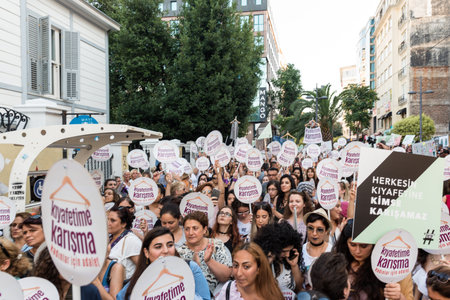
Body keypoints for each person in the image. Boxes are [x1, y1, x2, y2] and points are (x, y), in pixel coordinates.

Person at [117, 227, 210, 300]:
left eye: (170, 245)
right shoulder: (137, 282)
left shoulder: (191, 268)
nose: (165, 251)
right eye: (158, 247)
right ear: (146, 252)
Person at [334, 219, 413, 300]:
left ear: (375, 244)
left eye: (364, 246)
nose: (357, 251)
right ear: (345, 243)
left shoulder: (392, 268)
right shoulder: (338, 265)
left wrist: (399, 296)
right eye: (352, 245)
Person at [177, 211, 232, 294]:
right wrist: (194, 268)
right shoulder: (179, 252)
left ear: (204, 229)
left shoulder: (216, 245)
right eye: (187, 229)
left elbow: (226, 276)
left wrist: (209, 261)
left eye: (195, 228)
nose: (190, 233)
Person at [217, 242, 284, 300]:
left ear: (259, 268)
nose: (239, 273)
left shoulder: (272, 295)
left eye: (246, 267)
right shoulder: (228, 290)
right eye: (236, 265)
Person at [34, 247, 106, 300]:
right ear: (49, 265)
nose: (67, 267)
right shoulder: (39, 292)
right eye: (62, 263)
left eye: (71, 262)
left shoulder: (89, 291)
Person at [253, 221, 304, 293]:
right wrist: (268, 260)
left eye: (290, 250)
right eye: (284, 251)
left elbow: (298, 288)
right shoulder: (263, 262)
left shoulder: (289, 260)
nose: (287, 255)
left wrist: (294, 266)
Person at [101, 206, 141, 296]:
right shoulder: (109, 237)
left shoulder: (131, 241)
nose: (108, 223)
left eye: (113, 220)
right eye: (107, 219)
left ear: (123, 224)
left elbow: (143, 268)